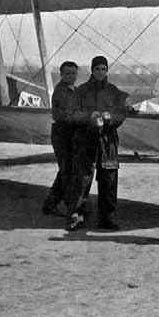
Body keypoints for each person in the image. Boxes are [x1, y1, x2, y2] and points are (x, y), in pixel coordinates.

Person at [64, 56, 129, 231]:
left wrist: (110, 118)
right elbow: (70, 115)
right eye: (97, 69)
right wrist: (89, 116)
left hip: (107, 141)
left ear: (107, 71)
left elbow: (121, 113)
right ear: (92, 70)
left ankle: (107, 218)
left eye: (103, 69)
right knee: (82, 180)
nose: (100, 72)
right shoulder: (81, 91)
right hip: (85, 140)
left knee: (109, 180)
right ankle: (75, 217)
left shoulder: (114, 91)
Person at [41, 61, 79, 216]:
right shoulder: (61, 92)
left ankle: (53, 203)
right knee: (67, 170)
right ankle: (55, 204)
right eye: (68, 73)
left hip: (70, 134)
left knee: (67, 170)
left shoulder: (73, 90)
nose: (71, 76)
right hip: (62, 134)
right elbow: (65, 114)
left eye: (73, 73)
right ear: (61, 75)